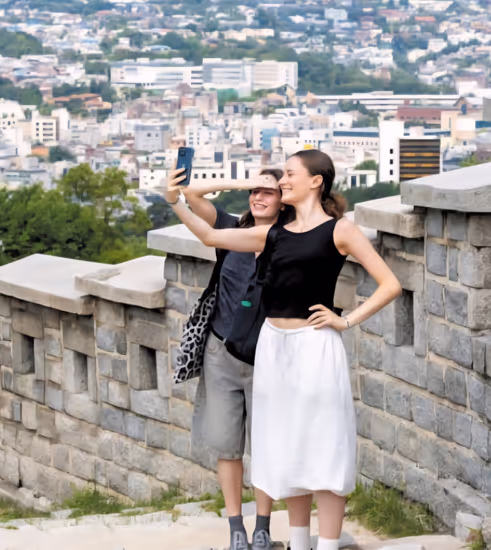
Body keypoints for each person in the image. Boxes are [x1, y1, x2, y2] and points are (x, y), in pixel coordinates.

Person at [166, 150, 402, 550]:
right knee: (287, 447)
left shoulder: (339, 231)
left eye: (289, 174)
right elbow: (209, 236)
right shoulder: (273, 235)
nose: (281, 182)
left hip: (315, 347)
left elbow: (389, 283)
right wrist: (173, 201)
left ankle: (324, 545)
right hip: (274, 347)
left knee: (323, 446)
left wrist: (345, 320)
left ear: (316, 181)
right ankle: (298, 543)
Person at [165, 169, 294, 550]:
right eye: (255, 191)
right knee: (227, 447)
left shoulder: (289, 240)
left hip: (268, 355)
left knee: (267, 447)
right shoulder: (230, 228)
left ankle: (263, 530)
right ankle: (236, 529)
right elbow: (192, 195)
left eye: (268, 193)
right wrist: (248, 183)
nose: (259, 197)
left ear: (283, 199)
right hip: (220, 351)